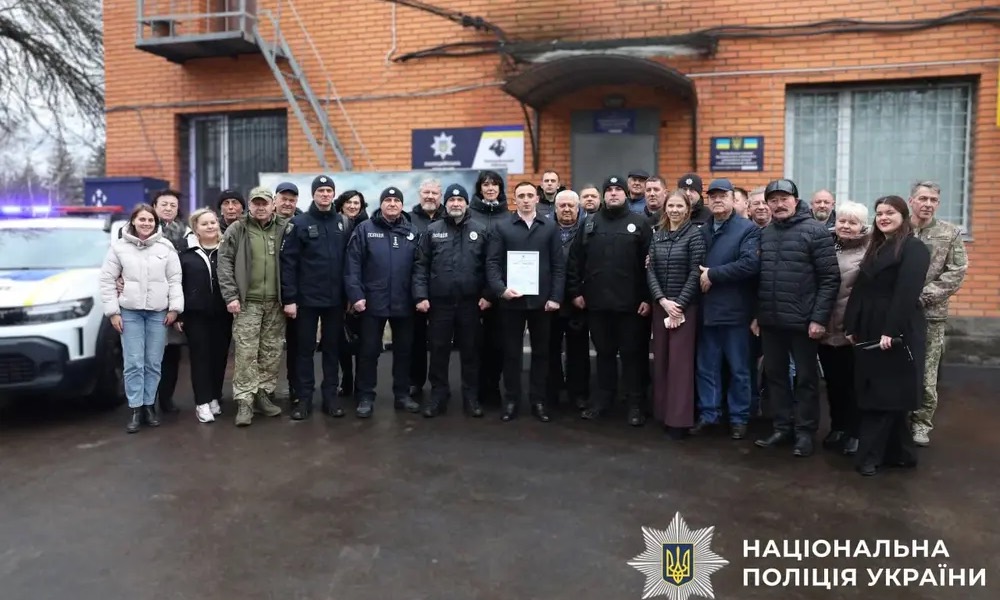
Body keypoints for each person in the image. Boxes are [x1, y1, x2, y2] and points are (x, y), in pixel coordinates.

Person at [752, 178, 840, 457]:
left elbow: (830, 278)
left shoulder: (815, 231)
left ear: (796, 200)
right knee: (776, 376)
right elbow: (761, 278)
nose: (779, 205)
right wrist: (757, 315)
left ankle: (804, 433)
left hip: (803, 323)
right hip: (771, 321)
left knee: (806, 380)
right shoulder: (766, 233)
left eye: (784, 199)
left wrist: (818, 319)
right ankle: (782, 427)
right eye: (773, 200)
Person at [844, 195, 930, 476]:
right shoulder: (878, 246)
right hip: (871, 326)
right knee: (884, 391)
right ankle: (902, 454)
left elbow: (906, 293)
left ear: (903, 216)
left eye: (889, 213)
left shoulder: (914, 248)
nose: (883, 218)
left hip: (897, 329)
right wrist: (851, 325)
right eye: (879, 213)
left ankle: (868, 457)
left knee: (884, 394)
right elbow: (860, 289)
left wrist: (890, 331)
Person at [567, 175, 652, 425]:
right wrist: (575, 292)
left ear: (626, 194)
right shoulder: (590, 223)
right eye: (609, 190)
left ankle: (635, 405)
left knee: (632, 356)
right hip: (597, 305)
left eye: (618, 189)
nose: (613, 193)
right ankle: (602, 401)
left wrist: (647, 297)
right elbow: (575, 261)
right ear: (604, 195)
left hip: (631, 306)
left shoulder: (640, 223)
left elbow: (650, 265)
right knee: (603, 355)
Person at [99, 204, 183, 433]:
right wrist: (113, 312)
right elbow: (107, 280)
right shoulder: (119, 247)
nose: (146, 223)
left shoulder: (166, 247)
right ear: (133, 221)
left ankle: (149, 406)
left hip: (158, 313)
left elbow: (175, 280)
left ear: (155, 223)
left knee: (153, 362)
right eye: (142, 219)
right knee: (134, 362)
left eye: (150, 220)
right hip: (130, 312)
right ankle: (136, 408)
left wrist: (175, 308)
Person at [486, 181, 565, 422]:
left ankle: (538, 401)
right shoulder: (502, 227)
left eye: (530, 195)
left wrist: (555, 297)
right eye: (521, 196)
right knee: (511, 353)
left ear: (537, 198)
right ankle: (511, 400)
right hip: (512, 301)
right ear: (515, 199)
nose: (526, 199)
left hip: (542, 303)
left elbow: (558, 265)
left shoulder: (549, 227)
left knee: (541, 353)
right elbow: (492, 263)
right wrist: (501, 290)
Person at [412, 183, 489, 417]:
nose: (456, 204)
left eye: (460, 200)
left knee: (471, 351)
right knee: (438, 351)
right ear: (445, 204)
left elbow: (490, 265)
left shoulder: (480, 230)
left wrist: (487, 295)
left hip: (470, 303)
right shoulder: (432, 230)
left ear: (466, 203)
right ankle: (438, 396)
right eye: (452, 200)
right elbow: (421, 266)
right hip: (440, 304)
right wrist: (421, 295)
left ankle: (471, 397)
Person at [692, 179, 761, 440]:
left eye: (723, 195)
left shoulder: (748, 230)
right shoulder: (702, 230)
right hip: (706, 312)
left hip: (735, 312)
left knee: (739, 369)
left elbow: (749, 264)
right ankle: (709, 414)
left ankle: (739, 418)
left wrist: (713, 274)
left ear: (733, 199)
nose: (717, 200)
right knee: (706, 367)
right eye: (713, 196)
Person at [281, 175, 353, 420]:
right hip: (306, 301)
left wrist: (349, 295)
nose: (325, 194)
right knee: (304, 351)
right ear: (313, 194)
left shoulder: (342, 223)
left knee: (332, 350)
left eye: (328, 190)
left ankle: (330, 398)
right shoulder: (298, 223)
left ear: (333, 194)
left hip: (335, 301)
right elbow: (288, 264)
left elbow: (349, 263)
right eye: (320, 190)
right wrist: (290, 299)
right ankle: (304, 399)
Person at [345, 186, 421, 418]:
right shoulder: (365, 229)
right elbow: (352, 265)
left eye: (396, 200)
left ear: (402, 205)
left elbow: (420, 267)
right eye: (387, 200)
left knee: (404, 351)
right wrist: (356, 296)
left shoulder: (412, 232)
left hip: (404, 302)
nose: (392, 204)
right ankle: (365, 397)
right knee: (368, 351)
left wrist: (419, 296)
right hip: (372, 302)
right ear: (381, 204)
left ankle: (402, 395)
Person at [217, 186, 288, 426]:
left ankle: (263, 395)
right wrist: (231, 296)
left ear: (273, 205)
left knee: (271, 352)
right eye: (256, 203)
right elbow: (224, 263)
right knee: (246, 354)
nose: (260, 207)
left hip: (275, 303)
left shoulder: (283, 228)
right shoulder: (238, 229)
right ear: (249, 205)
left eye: (264, 203)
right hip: (248, 303)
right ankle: (245, 401)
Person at [908, 181, 968, 447]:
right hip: (898, 314)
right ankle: (896, 418)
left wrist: (923, 296)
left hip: (930, 314)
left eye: (933, 200)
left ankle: (921, 423)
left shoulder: (949, 233)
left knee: (927, 373)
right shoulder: (899, 229)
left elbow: (956, 271)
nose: (928, 204)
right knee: (898, 367)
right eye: (923, 198)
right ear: (911, 200)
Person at [646, 190, 706, 438]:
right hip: (662, 307)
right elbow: (650, 271)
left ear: (688, 209)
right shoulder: (657, 235)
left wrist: (678, 305)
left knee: (680, 366)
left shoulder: (695, 235)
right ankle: (663, 414)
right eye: (671, 205)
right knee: (661, 361)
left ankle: (679, 421)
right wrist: (662, 300)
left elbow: (695, 272)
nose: (674, 210)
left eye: (679, 206)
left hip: (685, 309)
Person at [818, 200, 870, 455]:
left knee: (855, 384)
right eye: (842, 220)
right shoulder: (826, 245)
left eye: (853, 222)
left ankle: (856, 432)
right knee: (833, 382)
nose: (846, 226)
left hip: (852, 330)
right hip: (825, 327)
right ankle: (838, 426)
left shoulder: (870, 250)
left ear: (863, 226)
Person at [177, 208, 231, 424]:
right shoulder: (185, 253)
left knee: (219, 357)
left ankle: (215, 396)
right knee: (200, 358)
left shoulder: (227, 249)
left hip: (223, 313)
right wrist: (179, 314)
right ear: (195, 228)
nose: (210, 226)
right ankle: (202, 402)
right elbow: (177, 284)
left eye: (213, 222)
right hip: (195, 315)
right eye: (205, 223)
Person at [467, 170, 510, 406]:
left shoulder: (509, 217)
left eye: (495, 184)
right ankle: (475, 391)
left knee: (498, 344)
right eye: (486, 184)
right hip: (473, 293)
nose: (490, 188)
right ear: (480, 188)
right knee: (474, 345)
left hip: (500, 293)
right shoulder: (468, 215)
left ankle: (493, 388)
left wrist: (492, 293)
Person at [548, 189, 590, 411]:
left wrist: (580, 292)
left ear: (578, 208)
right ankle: (553, 392)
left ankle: (579, 394)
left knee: (578, 351)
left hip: (577, 301)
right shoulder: (545, 230)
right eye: (562, 206)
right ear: (555, 209)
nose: (566, 209)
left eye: (570, 206)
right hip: (550, 300)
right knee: (550, 349)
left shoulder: (588, 231)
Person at [407, 179, 445, 401]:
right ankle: (415, 381)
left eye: (434, 193)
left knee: (441, 342)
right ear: (419, 194)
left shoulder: (449, 218)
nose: (430, 196)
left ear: (440, 196)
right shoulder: (408, 219)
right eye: (426, 192)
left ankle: (440, 384)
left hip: (442, 291)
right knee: (416, 339)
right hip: (415, 289)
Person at [334, 190, 368, 396]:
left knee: (362, 340)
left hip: (362, 291)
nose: (353, 206)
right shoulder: (335, 224)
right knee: (341, 340)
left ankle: (360, 383)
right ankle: (346, 379)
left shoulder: (367, 226)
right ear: (341, 205)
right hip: (338, 290)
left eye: (357, 203)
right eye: (349, 202)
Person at [272, 181, 301, 405]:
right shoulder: (263, 223)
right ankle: (264, 391)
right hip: (269, 294)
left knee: (296, 346)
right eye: (284, 199)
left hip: (295, 296)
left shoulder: (301, 223)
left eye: (292, 200)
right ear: (275, 200)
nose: (288, 203)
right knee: (268, 347)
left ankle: (295, 389)